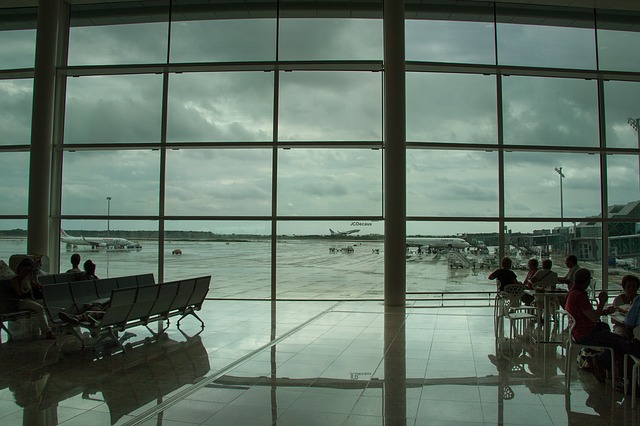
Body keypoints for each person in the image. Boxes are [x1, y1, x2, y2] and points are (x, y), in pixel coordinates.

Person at [564, 268, 633, 384]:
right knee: (622, 343)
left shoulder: (571, 293)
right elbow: (594, 318)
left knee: (616, 338)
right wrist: (601, 302)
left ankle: (603, 363)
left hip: (577, 332)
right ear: (586, 281)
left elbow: (586, 314)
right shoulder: (579, 296)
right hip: (586, 334)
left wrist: (603, 311)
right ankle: (599, 361)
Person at [7, 257, 55, 340]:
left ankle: (51, 326)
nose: (27, 273)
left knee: (45, 304)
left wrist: (34, 285)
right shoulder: (15, 280)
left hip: (27, 301)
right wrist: (26, 284)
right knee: (39, 308)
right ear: (19, 270)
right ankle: (47, 331)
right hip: (18, 302)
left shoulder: (27, 280)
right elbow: (20, 294)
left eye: (28, 271)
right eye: (25, 270)